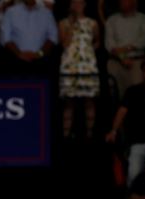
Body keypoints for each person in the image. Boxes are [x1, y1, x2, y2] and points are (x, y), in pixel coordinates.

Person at [106, 59, 145, 186]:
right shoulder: (133, 91)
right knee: (133, 175)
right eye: (144, 70)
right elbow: (122, 111)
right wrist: (113, 130)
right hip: (137, 143)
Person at [58, 0, 99, 139]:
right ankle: (66, 135)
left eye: (79, 2)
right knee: (69, 103)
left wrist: (88, 53)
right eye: (74, 3)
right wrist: (71, 23)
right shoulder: (63, 23)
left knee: (89, 101)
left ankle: (89, 134)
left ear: (84, 4)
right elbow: (64, 43)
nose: (77, 5)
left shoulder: (93, 23)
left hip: (87, 66)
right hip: (70, 66)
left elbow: (97, 41)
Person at [105, 0, 145, 99]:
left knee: (136, 96)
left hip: (136, 64)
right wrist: (122, 58)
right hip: (115, 62)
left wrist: (124, 49)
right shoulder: (111, 20)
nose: (120, 2)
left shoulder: (144, 19)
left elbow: (144, 41)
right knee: (115, 96)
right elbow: (109, 45)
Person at [0, 0, 58, 76]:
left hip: (40, 63)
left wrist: (39, 54)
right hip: (16, 62)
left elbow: (53, 37)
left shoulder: (47, 13)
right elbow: (5, 38)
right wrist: (19, 54)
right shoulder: (10, 12)